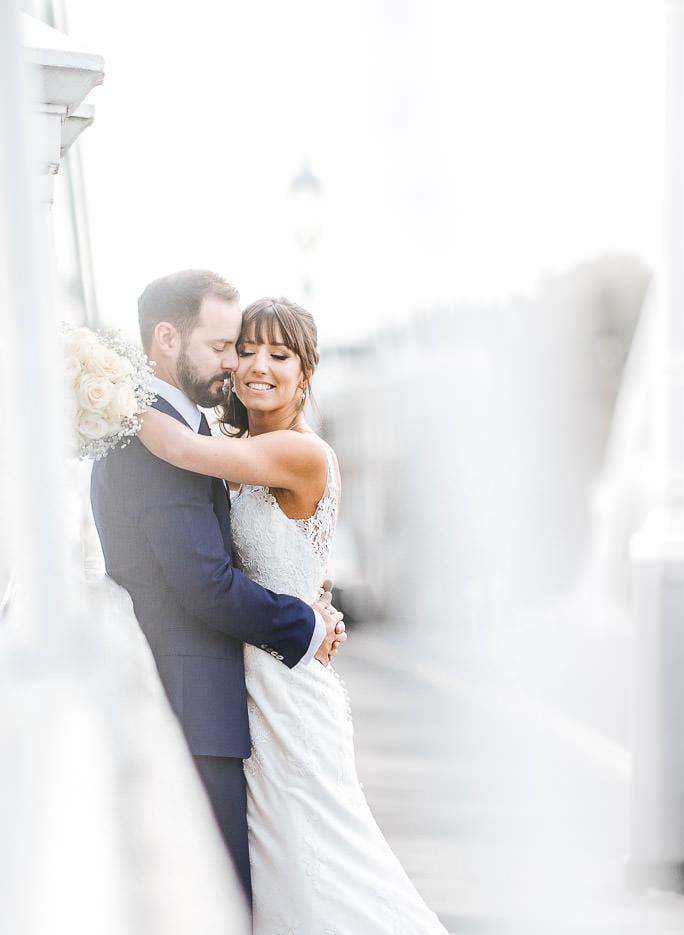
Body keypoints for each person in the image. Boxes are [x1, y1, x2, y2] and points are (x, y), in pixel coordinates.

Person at [135, 296, 449, 934]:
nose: (256, 365)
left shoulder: (301, 453)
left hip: (288, 688)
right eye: (244, 349)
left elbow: (177, 448)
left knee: (325, 863)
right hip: (249, 679)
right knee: (278, 868)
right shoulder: (240, 441)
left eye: (278, 355)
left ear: (305, 373)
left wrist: (112, 386)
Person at [90, 270, 346, 906]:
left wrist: (114, 399)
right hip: (215, 695)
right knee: (236, 890)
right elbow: (207, 582)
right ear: (169, 339)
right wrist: (306, 622)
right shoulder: (179, 434)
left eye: (271, 354)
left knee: (302, 866)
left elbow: (191, 462)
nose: (243, 365)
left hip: (275, 692)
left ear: (305, 372)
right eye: (231, 346)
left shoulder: (258, 446)